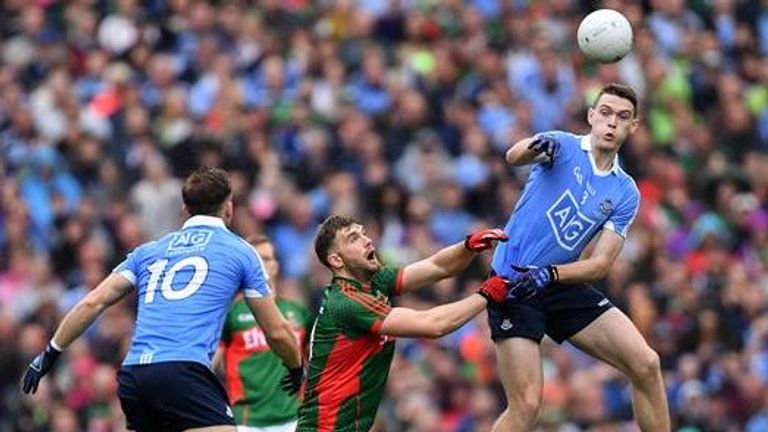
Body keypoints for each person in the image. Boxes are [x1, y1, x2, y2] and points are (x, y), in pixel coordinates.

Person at [21, 167, 302, 432]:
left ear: (185, 209)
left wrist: (51, 353)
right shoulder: (240, 251)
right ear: (229, 206)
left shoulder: (149, 251)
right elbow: (277, 332)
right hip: (184, 370)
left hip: (135, 374)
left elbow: (93, 302)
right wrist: (295, 366)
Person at [488, 83, 670, 431]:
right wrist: (534, 146)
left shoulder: (625, 191)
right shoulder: (563, 145)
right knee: (526, 407)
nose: (611, 123)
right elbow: (513, 156)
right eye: (605, 113)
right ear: (591, 116)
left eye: (622, 117)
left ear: (633, 127)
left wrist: (552, 275)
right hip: (513, 284)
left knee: (646, 364)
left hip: (556, 281)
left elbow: (600, 264)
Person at [296, 214, 512, 432]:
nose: (367, 240)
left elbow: (438, 267)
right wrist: (485, 295)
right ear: (336, 261)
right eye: (353, 238)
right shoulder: (346, 302)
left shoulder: (373, 281)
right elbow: (433, 324)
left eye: (363, 233)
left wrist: (468, 246)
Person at [214, 234, 309, 432]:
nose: (263, 265)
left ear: (276, 266)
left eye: (267, 259)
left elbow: (316, 364)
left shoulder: (299, 314)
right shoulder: (230, 314)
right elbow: (211, 365)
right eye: (257, 259)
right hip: (248, 421)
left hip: (295, 418)